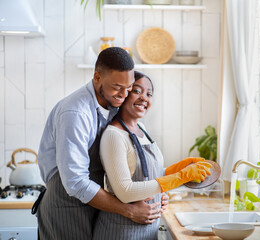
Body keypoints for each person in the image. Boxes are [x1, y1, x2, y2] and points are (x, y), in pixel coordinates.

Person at [35, 48, 166, 240]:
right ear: (97, 77)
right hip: (65, 203)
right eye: (117, 87)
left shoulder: (112, 104)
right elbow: (75, 182)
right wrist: (128, 210)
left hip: (93, 202)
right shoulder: (76, 113)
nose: (124, 95)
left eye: (129, 87)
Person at [93, 71, 212, 239]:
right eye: (137, 91)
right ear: (124, 94)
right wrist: (180, 177)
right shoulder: (114, 135)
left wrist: (178, 169)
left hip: (147, 230)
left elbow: (148, 174)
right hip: (120, 231)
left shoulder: (142, 129)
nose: (144, 98)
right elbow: (125, 191)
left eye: (149, 94)